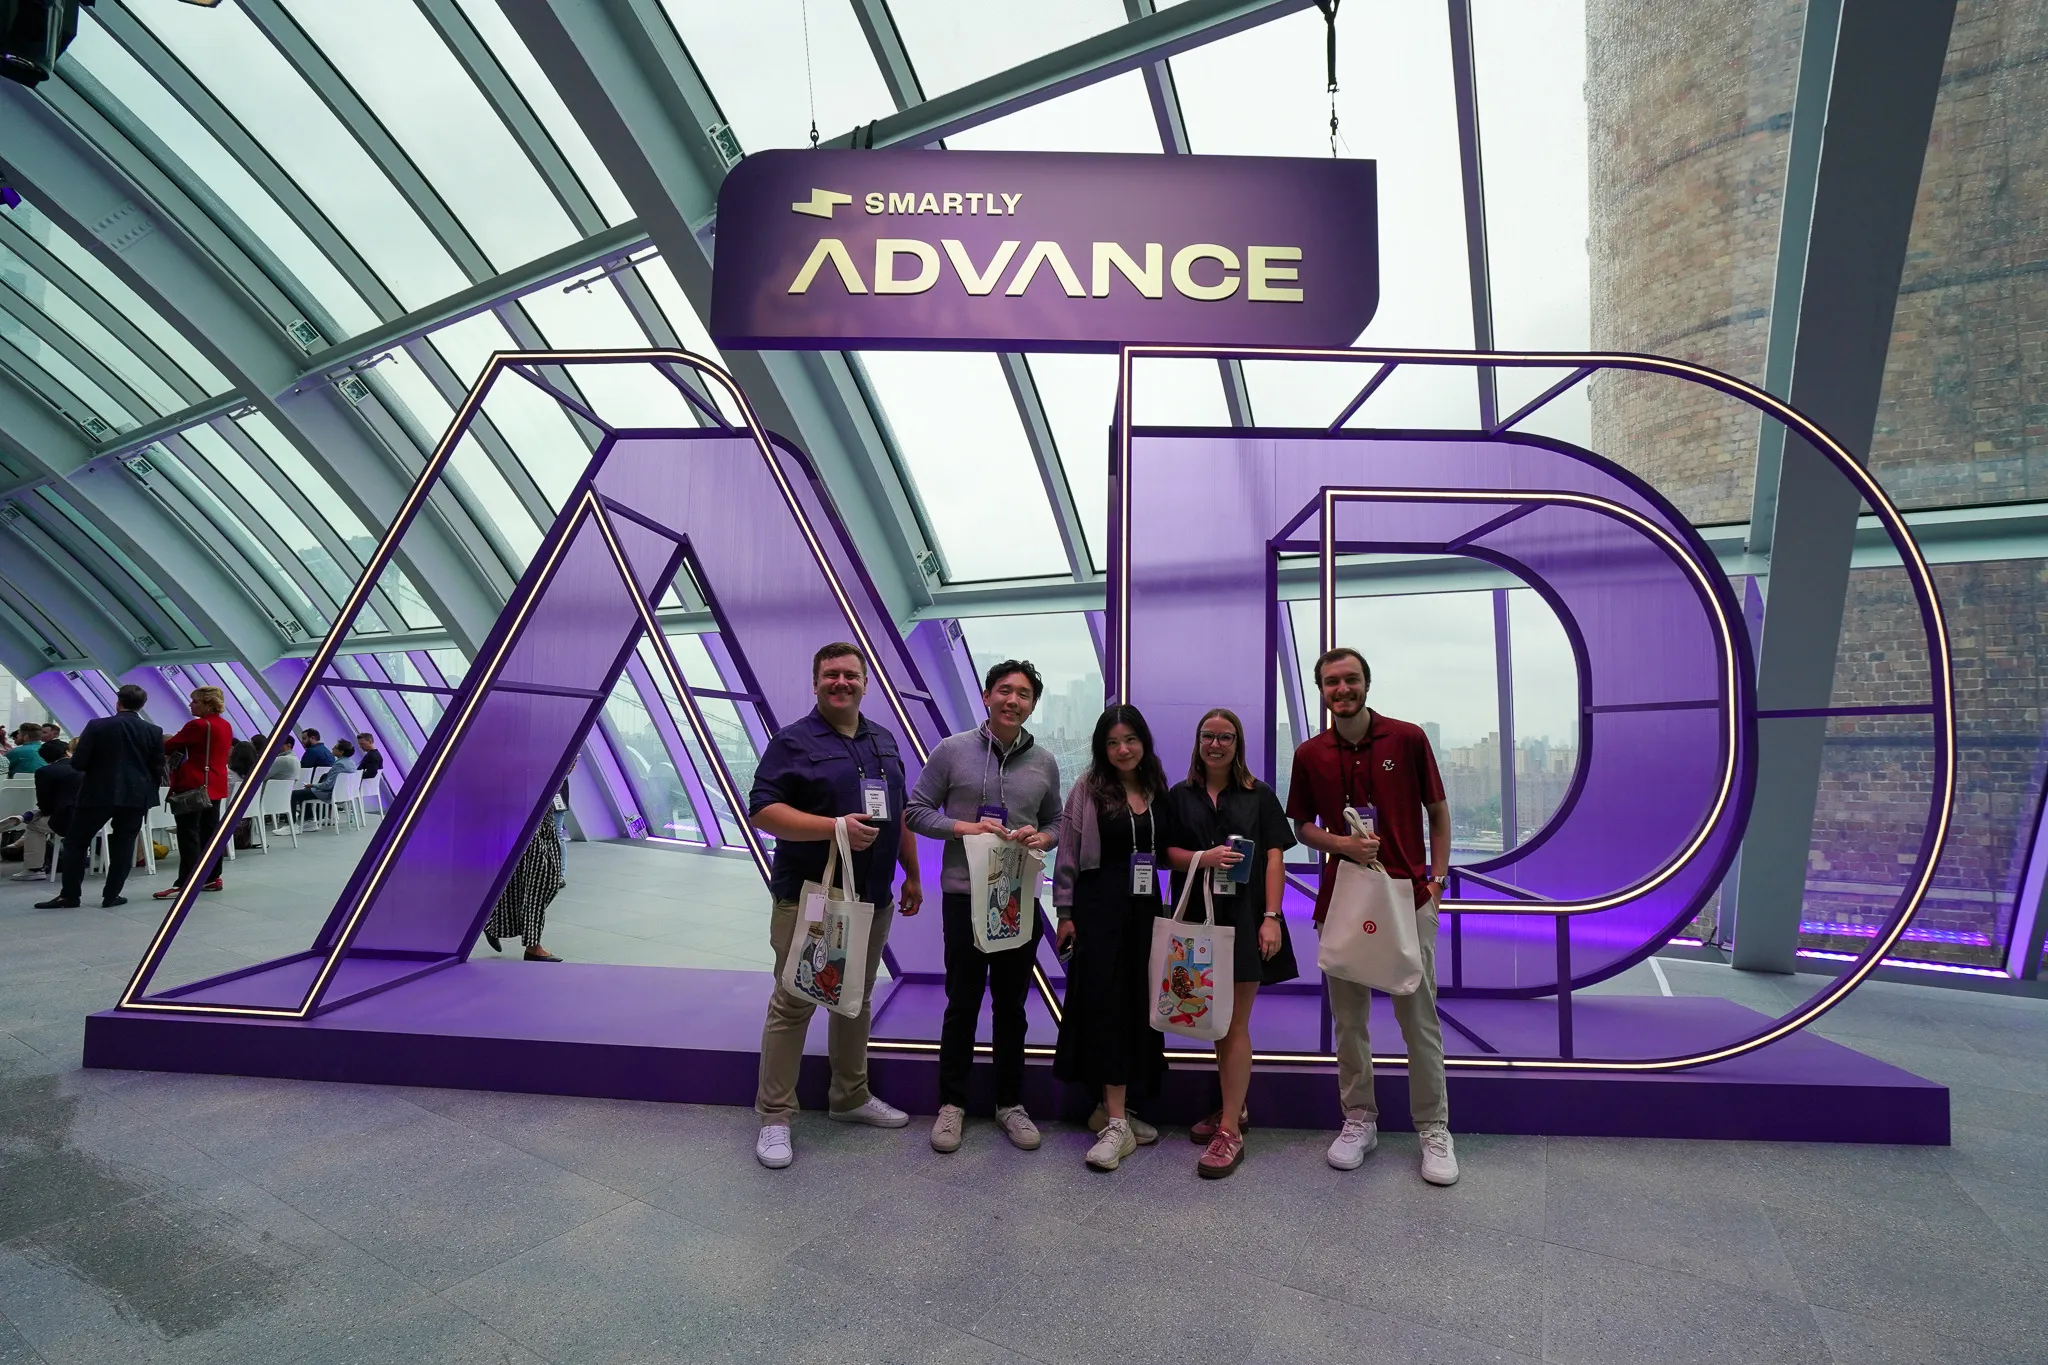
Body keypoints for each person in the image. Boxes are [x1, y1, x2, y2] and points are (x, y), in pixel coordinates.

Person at [747, 642, 922, 1170]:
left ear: (865, 683)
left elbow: (899, 811)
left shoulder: (883, 740)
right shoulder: (793, 741)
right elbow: (764, 811)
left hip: (873, 897)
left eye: (850, 675)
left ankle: (850, 1097)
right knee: (795, 1001)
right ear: (816, 681)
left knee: (856, 998)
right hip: (812, 897)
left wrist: (912, 872)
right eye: (831, 675)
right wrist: (834, 829)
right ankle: (776, 1117)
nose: (841, 683)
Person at [1287, 647, 1458, 1186]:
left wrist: (1436, 878)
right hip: (1340, 904)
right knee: (1350, 1023)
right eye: (1332, 682)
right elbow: (1300, 826)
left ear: (1367, 683)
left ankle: (1434, 1127)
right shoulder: (1310, 753)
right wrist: (1342, 843)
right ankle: (1359, 1119)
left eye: (1351, 680)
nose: (1343, 689)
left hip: (1409, 901)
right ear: (1321, 690)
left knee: (1419, 1023)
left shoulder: (1406, 738)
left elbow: (1438, 811)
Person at [904, 659, 1062, 1155]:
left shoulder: (1045, 762)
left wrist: (1043, 835)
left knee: (1012, 1007)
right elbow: (915, 811)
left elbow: (1057, 820)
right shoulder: (952, 751)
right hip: (964, 896)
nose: (1013, 700)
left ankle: (1009, 1104)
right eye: (1004, 691)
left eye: (1023, 695)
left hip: (1017, 899)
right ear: (988, 697)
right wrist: (965, 827)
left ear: (1032, 704)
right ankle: (952, 1104)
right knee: (963, 1001)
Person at [1163, 707, 1299, 1178]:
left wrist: (1271, 917)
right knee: (1215, 1023)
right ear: (1198, 741)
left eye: (1225, 737)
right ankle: (1232, 1109)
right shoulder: (1179, 795)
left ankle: (1230, 1132)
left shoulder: (1258, 794)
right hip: (1198, 919)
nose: (1215, 744)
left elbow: (1275, 859)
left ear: (1238, 743)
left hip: (1245, 918)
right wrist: (1206, 857)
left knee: (1235, 1024)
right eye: (1208, 736)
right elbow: (1168, 855)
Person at [1053, 705, 1178, 1172]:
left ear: (1143, 742)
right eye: (1112, 742)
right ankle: (1117, 1125)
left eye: (1130, 740)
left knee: (1139, 1005)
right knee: (1105, 1006)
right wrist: (1065, 913)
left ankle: (1110, 1111)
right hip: (1098, 906)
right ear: (1101, 748)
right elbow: (1067, 853)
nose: (1122, 749)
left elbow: (1167, 851)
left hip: (1146, 910)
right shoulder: (1088, 788)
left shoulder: (1154, 788)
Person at [37, 684, 164, 910]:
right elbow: (157, 767)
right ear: (143, 705)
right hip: (135, 796)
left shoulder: (97, 726)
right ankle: (112, 895)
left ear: (118, 702)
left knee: (76, 843)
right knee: (124, 845)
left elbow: (78, 763)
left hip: (98, 793)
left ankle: (70, 895)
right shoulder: (153, 731)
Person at [154, 686, 233, 901]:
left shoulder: (197, 725)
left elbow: (170, 746)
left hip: (194, 785)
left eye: (195, 701)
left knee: (189, 834)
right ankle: (212, 876)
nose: (191, 704)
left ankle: (186, 882)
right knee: (210, 832)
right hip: (214, 784)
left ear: (208, 703)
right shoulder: (225, 725)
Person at [482, 818, 563, 961]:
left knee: (542, 881)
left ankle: (493, 922)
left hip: (543, 816)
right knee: (538, 884)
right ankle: (533, 946)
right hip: (530, 817)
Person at [11, 740, 80, 882]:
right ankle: (28, 816)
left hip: (68, 820)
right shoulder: (85, 767)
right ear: (67, 750)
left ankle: (34, 869)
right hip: (96, 819)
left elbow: (46, 805)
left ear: (44, 758)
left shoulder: (45, 772)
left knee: (33, 826)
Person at [290, 740, 356, 818]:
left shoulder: (339, 764)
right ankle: (309, 819)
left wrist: (313, 785)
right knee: (304, 793)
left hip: (330, 794)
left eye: (335, 747)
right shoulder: (351, 763)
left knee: (294, 794)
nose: (332, 748)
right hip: (344, 794)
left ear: (341, 752)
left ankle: (293, 822)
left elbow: (328, 785)